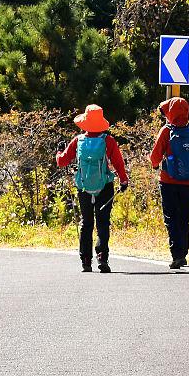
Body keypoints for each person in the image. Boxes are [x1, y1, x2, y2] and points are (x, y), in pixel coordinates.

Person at [56, 104, 129, 273]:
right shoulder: (108, 141)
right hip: (105, 187)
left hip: (84, 188)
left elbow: (62, 162)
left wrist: (59, 151)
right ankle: (102, 257)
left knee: (86, 223)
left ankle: (86, 260)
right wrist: (123, 180)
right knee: (103, 222)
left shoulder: (78, 141)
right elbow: (118, 163)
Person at [149, 97, 189, 270]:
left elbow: (155, 156)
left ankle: (177, 255)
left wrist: (154, 165)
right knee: (184, 219)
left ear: (171, 112)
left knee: (171, 218)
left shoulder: (166, 132)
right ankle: (182, 253)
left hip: (168, 182)